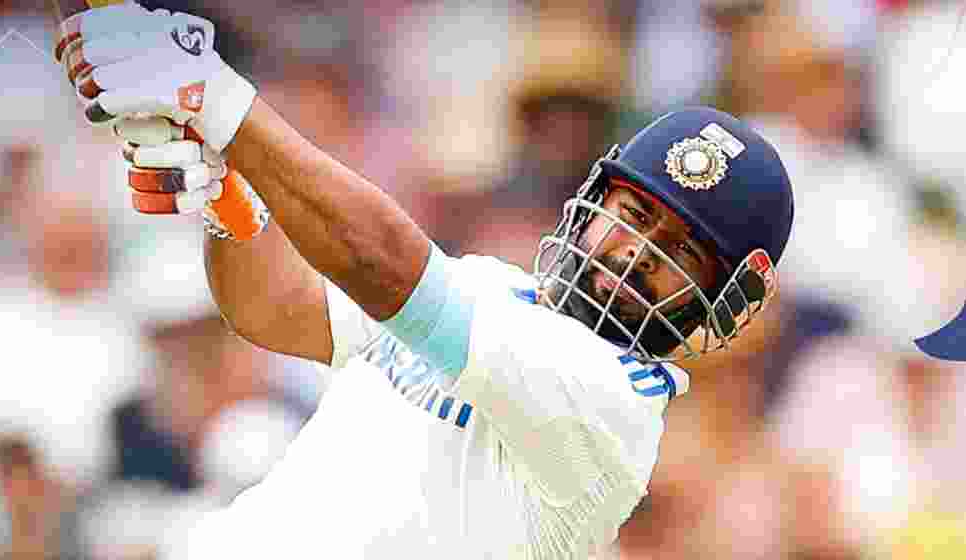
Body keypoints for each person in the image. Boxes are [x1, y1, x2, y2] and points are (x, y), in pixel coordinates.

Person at [53, 5, 793, 559]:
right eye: (631, 215)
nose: (632, 254)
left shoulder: (616, 405)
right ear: (593, 201)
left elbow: (385, 267)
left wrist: (212, 99)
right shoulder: (490, 286)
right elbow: (277, 308)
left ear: (719, 303)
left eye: (676, 251)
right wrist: (228, 204)